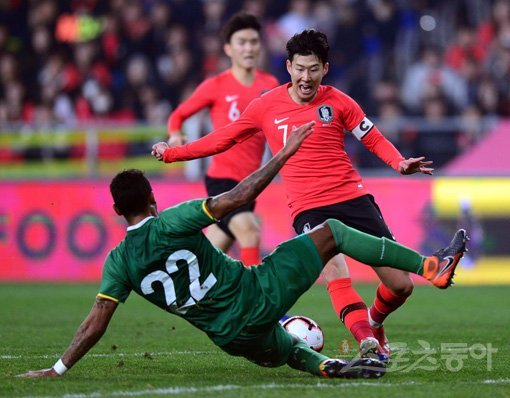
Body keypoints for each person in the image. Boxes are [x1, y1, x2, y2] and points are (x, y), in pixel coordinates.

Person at [18, 122, 467, 380]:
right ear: (152, 201)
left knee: (288, 348)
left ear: (117, 211)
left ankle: (330, 367)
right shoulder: (173, 219)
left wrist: (56, 370)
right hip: (255, 294)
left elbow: (96, 322)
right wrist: (284, 153)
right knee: (332, 230)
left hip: (230, 338)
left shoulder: (117, 263)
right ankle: (431, 265)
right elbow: (238, 195)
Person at [151, 29, 437, 359]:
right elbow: (222, 138)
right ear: (288, 66)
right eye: (299, 68)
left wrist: (399, 162)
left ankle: (374, 321)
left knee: (401, 285)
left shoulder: (339, 101)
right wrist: (173, 153)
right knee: (335, 274)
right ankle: (366, 343)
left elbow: (371, 137)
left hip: (352, 197)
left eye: (313, 69)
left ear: (324, 69)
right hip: (309, 207)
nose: (305, 77)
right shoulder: (265, 106)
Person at [167, 12, 279, 266]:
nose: (248, 48)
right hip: (223, 181)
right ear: (228, 48)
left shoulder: (270, 84)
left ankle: (189, 292)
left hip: (251, 183)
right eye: (242, 42)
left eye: (253, 42)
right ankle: (256, 300)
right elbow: (179, 114)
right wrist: (175, 135)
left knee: (209, 258)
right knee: (250, 231)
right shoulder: (215, 85)